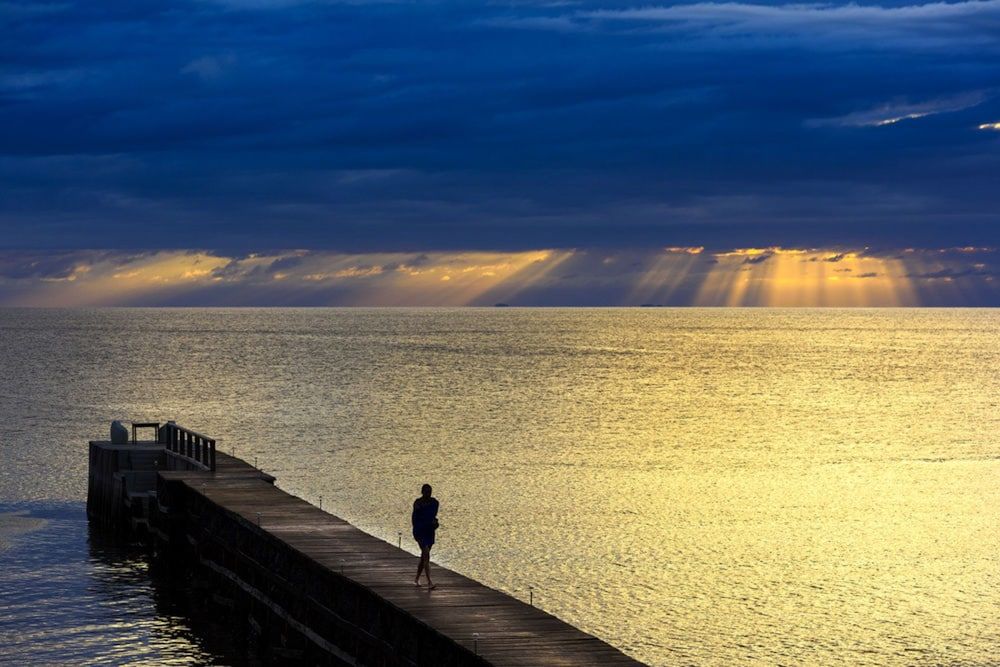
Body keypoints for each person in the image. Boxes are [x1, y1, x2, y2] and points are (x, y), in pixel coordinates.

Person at [411, 483, 439, 589]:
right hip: (420, 531)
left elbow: (432, 515)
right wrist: (417, 529)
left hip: (429, 531)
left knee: (424, 557)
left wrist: (433, 523)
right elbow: (415, 518)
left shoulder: (434, 503)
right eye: (426, 492)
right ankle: (429, 582)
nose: (428, 494)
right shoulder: (418, 503)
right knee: (426, 553)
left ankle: (416, 579)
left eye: (430, 492)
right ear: (422, 492)